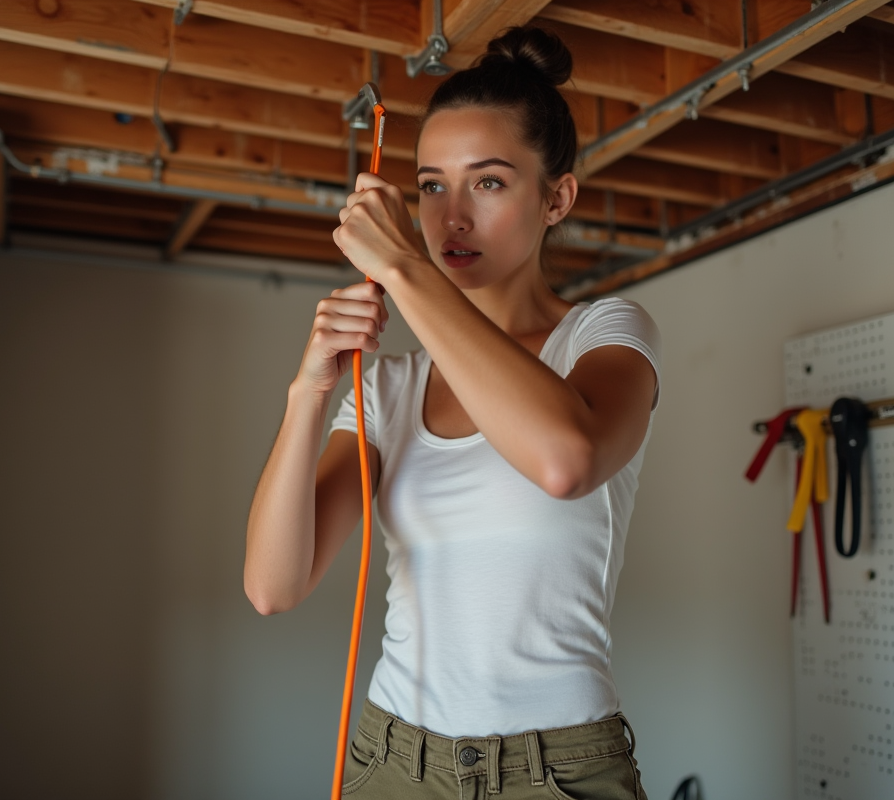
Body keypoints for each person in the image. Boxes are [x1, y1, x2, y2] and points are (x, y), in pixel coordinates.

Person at [245, 25, 660, 800]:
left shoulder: (604, 337)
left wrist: (404, 270)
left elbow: (563, 462)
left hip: (559, 771)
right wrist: (308, 392)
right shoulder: (389, 386)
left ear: (556, 198)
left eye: (490, 182)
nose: (451, 217)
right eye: (431, 185)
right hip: (393, 760)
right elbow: (274, 586)